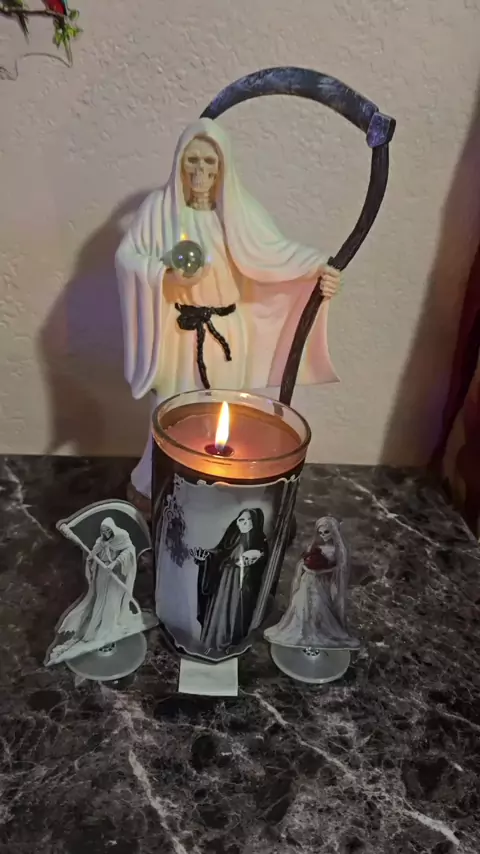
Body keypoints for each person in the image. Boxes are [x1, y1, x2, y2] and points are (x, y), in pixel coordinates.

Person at [116, 118, 340, 502]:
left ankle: (211, 491)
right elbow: (127, 258)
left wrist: (321, 271)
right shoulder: (158, 211)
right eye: (192, 160)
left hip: (227, 335)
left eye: (210, 161)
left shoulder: (240, 212)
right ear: (179, 162)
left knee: (222, 413)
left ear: (223, 166)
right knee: (171, 412)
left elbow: (277, 256)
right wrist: (164, 271)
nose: (200, 171)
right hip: (179, 331)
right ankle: (156, 485)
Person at [48, 518, 138, 662]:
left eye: (107, 531)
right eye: (103, 531)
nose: (105, 533)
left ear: (113, 530)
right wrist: (91, 557)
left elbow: (129, 550)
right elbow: (93, 553)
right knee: (100, 599)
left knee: (112, 600)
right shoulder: (100, 541)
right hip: (102, 573)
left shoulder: (122, 537)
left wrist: (115, 563)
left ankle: (110, 627)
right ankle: (95, 629)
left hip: (116, 574)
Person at [194, 508, 269, 650]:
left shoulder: (259, 542)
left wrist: (256, 558)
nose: (245, 523)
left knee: (234, 615)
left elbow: (260, 566)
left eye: (249, 520)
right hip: (223, 585)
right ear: (237, 522)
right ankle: (212, 644)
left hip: (240, 587)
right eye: (241, 520)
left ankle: (230, 644)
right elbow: (218, 554)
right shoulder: (231, 540)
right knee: (218, 613)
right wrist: (204, 559)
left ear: (254, 523)